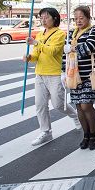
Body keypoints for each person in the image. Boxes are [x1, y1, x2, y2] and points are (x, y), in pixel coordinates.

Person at [24, 8, 80, 146]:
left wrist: (36, 43)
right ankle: (46, 132)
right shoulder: (40, 34)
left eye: (46, 17)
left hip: (54, 74)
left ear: (55, 18)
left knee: (58, 105)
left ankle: (75, 116)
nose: (43, 20)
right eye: (41, 18)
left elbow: (53, 51)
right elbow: (37, 55)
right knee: (40, 105)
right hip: (40, 74)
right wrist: (29, 57)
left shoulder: (60, 34)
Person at [62, 6, 95, 150]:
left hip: (90, 75)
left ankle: (94, 134)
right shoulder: (71, 33)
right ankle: (86, 135)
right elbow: (64, 55)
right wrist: (63, 72)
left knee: (86, 105)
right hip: (73, 76)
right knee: (79, 106)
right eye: (76, 18)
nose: (78, 21)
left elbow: (88, 47)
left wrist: (72, 48)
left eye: (82, 18)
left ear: (88, 18)